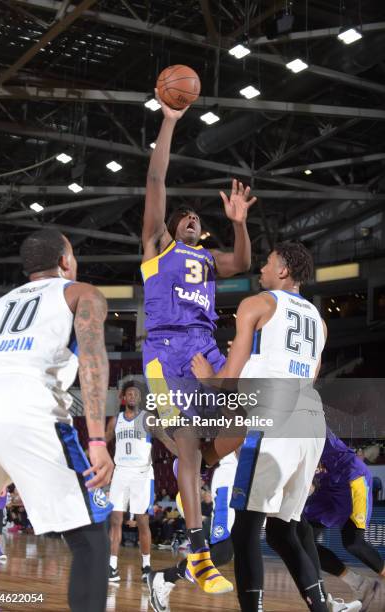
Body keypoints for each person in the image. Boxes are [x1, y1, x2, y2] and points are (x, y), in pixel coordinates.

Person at [142, 90, 256, 595]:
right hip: (166, 352)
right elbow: (156, 180)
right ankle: (197, 550)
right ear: (169, 229)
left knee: (241, 419)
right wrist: (168, 122)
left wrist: (238, 225)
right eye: (183, 217)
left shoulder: (208, 259)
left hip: (206, 343)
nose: (190, 219)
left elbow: (243, 264)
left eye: (196, 218)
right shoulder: (156, 247)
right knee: (188, 442)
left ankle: (193, 456)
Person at [0, 229, 114, 612]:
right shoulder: (80, 293)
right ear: (65, 262)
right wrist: (98, 442)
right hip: (32, 409)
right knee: (91, 537)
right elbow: (92, 361)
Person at [192, 242, 328, 612]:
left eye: (267, 263)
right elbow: (310, 378)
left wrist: (208, 378)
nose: (261, 269)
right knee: (284, 531)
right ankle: (321, 606)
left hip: (276, 420)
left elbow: (231, 379)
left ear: (283, 271)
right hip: (311, 421)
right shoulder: (319, 319)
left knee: (246, 526)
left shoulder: (257, 304)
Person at [302, 429, 385, 610]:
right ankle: (360, 584)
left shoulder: (312, 427)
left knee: (353, 541)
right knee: (303, 541)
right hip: (326, 487)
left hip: (351, 478)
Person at [148, 452, 237, 612]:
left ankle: (163, 577)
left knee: (279, 535)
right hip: (234, 476)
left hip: (266, 471)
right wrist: (196, 467)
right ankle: (166, 577)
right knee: (223, 551)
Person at [106, 380, 162, 583]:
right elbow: (103, 443)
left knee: (142, 522)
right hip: (120, 472)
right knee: (115, 520)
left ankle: (146, 567)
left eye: (136, 394)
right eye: (129, 394)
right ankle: (112, 567)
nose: (132, 397)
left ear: (140, 398)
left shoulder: (148, 419)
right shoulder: (115, 420)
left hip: (142, 474)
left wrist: (183, 454)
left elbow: (164, 438)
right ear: (123, 398)